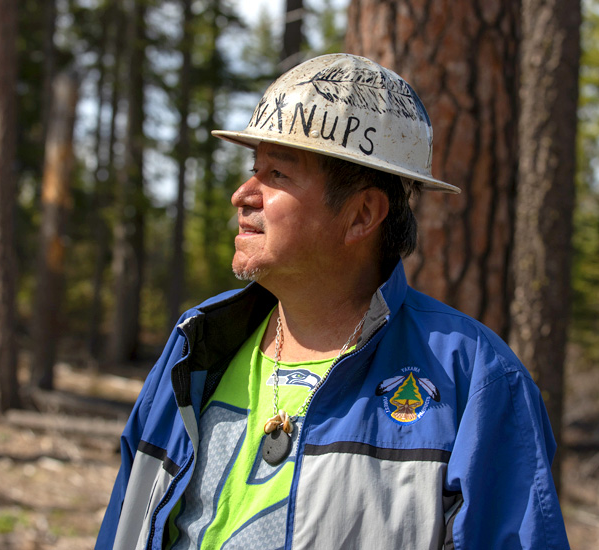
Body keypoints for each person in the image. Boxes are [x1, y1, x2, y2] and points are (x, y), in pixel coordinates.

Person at [95, 54, 569, 549]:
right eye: (253, 168)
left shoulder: (472, 379)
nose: (243, 194)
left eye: (277, 174)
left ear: (362, 214)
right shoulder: (196, 347)